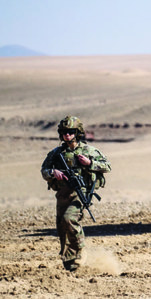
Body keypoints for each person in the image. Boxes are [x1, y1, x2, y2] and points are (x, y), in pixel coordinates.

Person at [40, 116, 111, 271]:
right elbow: (44, 171)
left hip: (80, 192)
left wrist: (90, 163)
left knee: (69, 218)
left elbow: (107, 166)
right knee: (61, 227)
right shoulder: (56, 153)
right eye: (64, 132)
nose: (67, 135)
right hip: (62, 193)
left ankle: (80, 251)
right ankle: (69, 262)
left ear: (77, 133)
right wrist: (53, 172)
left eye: (71, 132)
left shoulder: (88, 151)